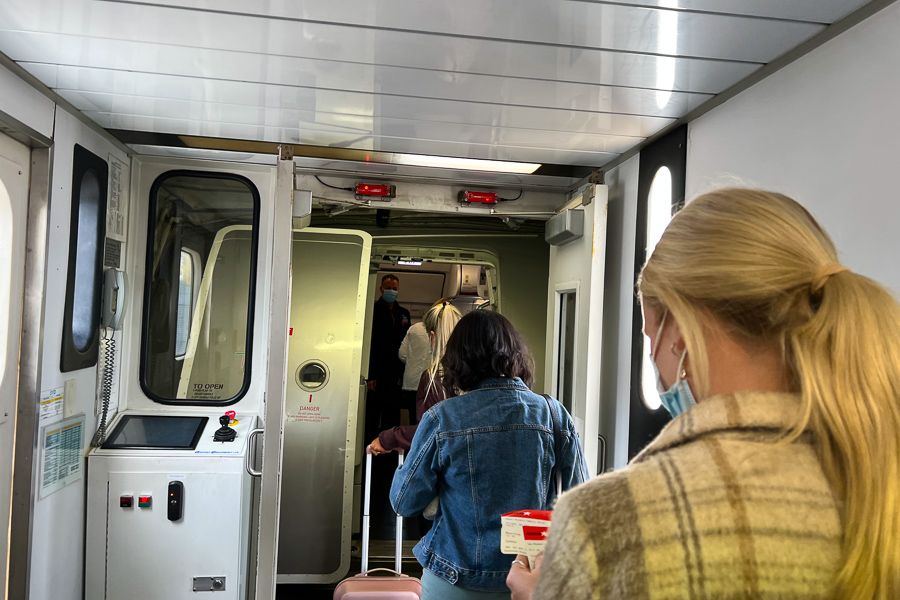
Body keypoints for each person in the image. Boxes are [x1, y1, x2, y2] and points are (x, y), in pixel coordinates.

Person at [506, 189, 900, 599]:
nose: (657, 368)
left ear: (679, 333)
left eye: (649, 337)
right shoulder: (878, 476)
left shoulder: (605, 521)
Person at [390, 311, 590, 600]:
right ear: (514, 355)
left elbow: (403, 502)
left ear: (457, 361)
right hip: (528, 577)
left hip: (453, 576)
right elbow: (578, 502)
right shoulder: (553, 414)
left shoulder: (442, 418)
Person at [370, 300, 462, 454]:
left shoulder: (433, 378)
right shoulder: (477, 374)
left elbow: (428, 431)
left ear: (432, 336)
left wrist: (388, 438)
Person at [365, 274, 411, 438]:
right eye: (388, 287)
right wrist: (370, 375)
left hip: (396, 371)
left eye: (394, 288)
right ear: (381, 289)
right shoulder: (372, 311)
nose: (391, 291)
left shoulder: (404, 313)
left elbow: (407, 344)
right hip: (377, 371)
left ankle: (391, 449)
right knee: (373, 413)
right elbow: (370, 345)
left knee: (392, 413)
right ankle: (371, 448)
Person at [396, 310, 434, 427]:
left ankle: (413, 442)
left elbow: (402, 354)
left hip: (411, 382)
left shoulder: (414, 328)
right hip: (431, 383)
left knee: (414, 418)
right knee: (430, 419)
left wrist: (413, 362)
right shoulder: (441, 331)